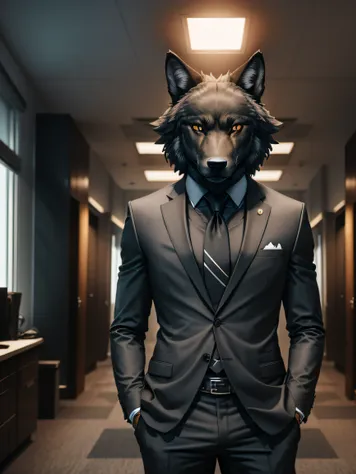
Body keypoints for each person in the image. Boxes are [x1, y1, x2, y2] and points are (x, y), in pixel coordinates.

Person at [110, 50, 325, 474]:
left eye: (234, 128)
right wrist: (135, 405)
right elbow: (126, 327)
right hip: (170, 418)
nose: (216, 150)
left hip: (265, 419)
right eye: (199, 128)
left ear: (252, 130)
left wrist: (297, 404)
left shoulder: (289, 218)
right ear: (181, 130)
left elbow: (307, 326)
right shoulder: (144, 217)